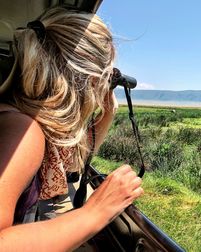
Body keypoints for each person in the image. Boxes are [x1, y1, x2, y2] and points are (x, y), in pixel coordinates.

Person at [0, 7, 143, 251]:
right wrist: (95, 212)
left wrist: (108, 112)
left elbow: (72, 163)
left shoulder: (21, 118)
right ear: (90, 80)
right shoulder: (23, 133)